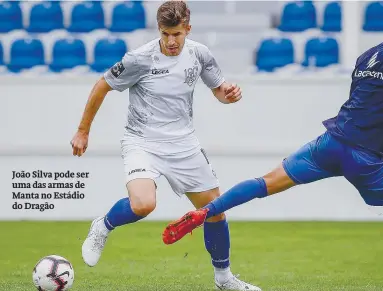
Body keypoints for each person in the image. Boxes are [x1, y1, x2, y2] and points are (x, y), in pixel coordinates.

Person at [162, 3, 383, 285]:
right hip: (364, 159)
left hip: (330, 143)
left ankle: (206, 212)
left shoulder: (364, 58)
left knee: (266, 181)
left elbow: (368, 103)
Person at [70, 1, 261, 290]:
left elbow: (219, 91)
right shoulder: (139, 58)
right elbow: (102, 85)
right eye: (165, 34)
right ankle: (103, 226)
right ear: (159, 30)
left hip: (184, 144)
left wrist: (230, 94)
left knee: (215, 210)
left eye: (177, 34)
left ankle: (224, 279)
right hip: (142, 141)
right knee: (144, 204)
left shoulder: (200, 54)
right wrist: (83, 131)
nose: (171, 41)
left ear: (188, 29)